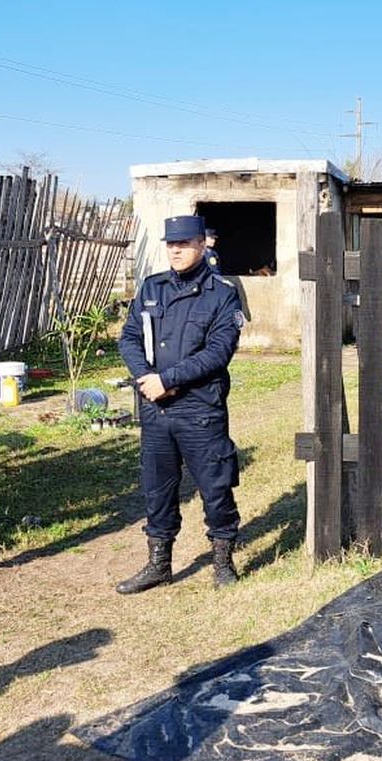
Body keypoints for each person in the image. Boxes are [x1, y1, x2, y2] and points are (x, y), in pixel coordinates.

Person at [117, 214, 245, 593]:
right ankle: (159, 564)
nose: (175, 250)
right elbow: (128, 338)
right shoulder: (151, 287)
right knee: (157, 488)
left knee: (215, 486)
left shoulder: (222, 294)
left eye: (184, 243)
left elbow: (219, 352)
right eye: (170, 244)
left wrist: (168, 380)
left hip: (199, 409)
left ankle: (223, 561)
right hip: (155, 409)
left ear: (203, 245)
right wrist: (146, 380)